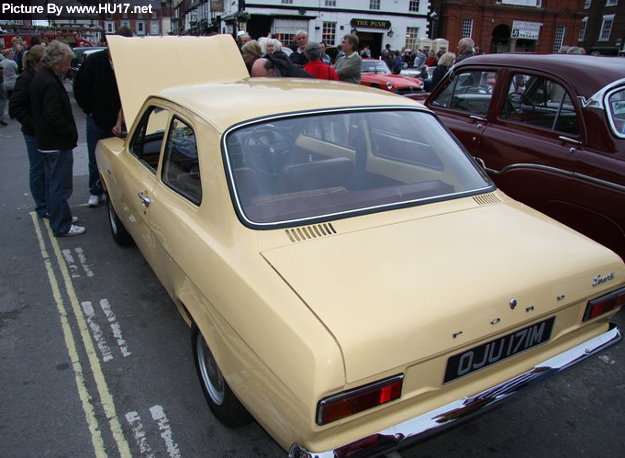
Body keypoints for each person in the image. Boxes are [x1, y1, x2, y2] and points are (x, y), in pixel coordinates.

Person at [74, 27, 132, 208]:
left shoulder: (128, 62)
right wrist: (90, 110)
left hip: (122, 119)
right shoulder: (93, 62)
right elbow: (79, 87)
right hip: (97, 118)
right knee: (95, 157)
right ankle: (95, 191)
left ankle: (114, 191)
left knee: (121, 159)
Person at [31, 41, 84, 237]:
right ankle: (62, 224)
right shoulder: (49, 81)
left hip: (48, 142)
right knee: (59, 186)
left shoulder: (42, 77)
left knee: (53, 183)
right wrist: (70, 131)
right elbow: (53, 116)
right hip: (56, 143)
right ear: (56, 62)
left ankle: (60, 216)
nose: (69, 66)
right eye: (67, 62)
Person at [9, 45, 48, 218]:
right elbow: (15, 107)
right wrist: (34, 125)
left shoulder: (40, 76)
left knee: (46, 170)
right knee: (38, 170)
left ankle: (48, 204)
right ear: (38, 62)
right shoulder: (25, 79)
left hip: (43, 132)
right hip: (33, 134)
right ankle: (42, 206)